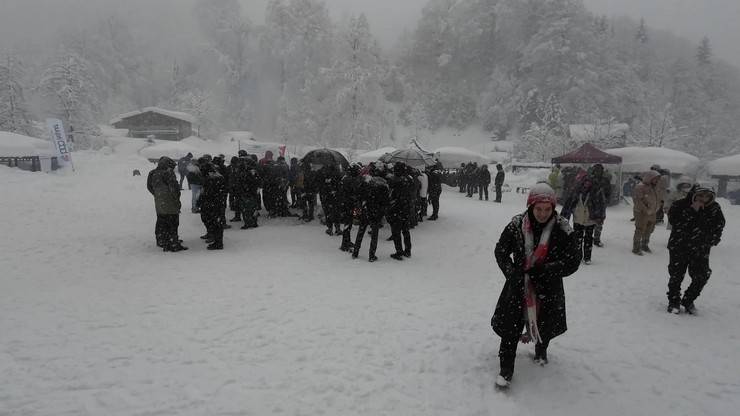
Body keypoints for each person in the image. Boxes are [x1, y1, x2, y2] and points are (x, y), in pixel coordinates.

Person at [492, 183, 580, 389]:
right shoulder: (516, 225)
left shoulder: (562, 228)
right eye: (538, 209)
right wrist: (511, 272)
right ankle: (506, 369)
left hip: (549, 287)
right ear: (531, 206)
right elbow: (500, 251)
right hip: (518, 285)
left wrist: (548, 270)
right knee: (510, 328)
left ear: (553, 208)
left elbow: (574, 259)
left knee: (545, 324)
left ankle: (541, 350)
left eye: (547, 209)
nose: (542, 213)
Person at [666, 185, 725, 314]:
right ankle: (673, 301)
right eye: (700, 195)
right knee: (676, 275)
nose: (703, 199)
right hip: (679, 246)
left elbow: (719, 224)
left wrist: (714, 238)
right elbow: (675, 221)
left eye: (707, 196)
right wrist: (692, 211)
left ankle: (688, 300)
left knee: (702, 275)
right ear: (694, 194)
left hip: (700, 248)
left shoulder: (714, 208)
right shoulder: (680, 204)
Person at [561, 175, 606, 265]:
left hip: (590, 219)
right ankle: (578, 256)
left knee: (588, 239)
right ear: (583, 182)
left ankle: (587, 257)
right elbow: (569, 203)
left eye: (589, 182)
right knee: (577, 239)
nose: (587, 184)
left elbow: (601, 205)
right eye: (586, 182)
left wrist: (600, 217)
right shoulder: (577, 191)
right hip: (578, 218)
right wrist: (565, 215)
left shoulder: (596, 191)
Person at [147, 157, 187, 252]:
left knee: (161, 221)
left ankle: (162, 240)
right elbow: (174, 189)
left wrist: (157, 195)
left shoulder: (152, 173)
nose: (173, 169)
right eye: (172, 166)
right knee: (173, 223)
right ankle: (173, 243)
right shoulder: (168, 173)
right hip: (170, 202)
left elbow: (149, 187)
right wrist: (176, 200)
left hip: (159, 202)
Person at [353, 174, 389, 262]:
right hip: (375, 214)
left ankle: (355, 252)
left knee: (361, 232)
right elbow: (384, 204)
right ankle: (371, 255)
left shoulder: (367, 187)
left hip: (366, 211)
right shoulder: (383, 190)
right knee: (374, 235)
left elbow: (359, 197)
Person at [198, 161, 227, 250]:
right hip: (214, 203)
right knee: (212, 221)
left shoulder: (213, 179)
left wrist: (202, 200)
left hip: (213, 204)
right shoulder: (214, 177)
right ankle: (215, 238)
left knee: (215, 222)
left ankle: (218, 242)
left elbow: (207, 192)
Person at [387, 163, 414, 260]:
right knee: (405, 231)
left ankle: (399, 251)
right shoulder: (409, 180)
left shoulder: (395, 181)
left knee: (396, 232)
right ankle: (408, 251)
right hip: (406, 209)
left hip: (396, 210)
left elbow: (391, 196)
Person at [632, 170, 661, 255]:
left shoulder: (655, 187)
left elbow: (656, 198)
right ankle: (636, 247)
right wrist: (646, 210)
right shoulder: (640, 187)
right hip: (641, 212)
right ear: (650, 178)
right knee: (640, 229)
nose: (657, 181)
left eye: (657, 179)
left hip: (652, 212)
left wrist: (658, 206)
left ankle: (644, 244)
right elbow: (638, 200)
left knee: (650, 229)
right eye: (655, 179)